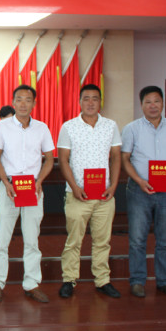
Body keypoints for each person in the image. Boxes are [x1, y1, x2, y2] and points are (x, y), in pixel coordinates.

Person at [121, 85, 166, 299]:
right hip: (139, 191)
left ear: (162, 103)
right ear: (141, 105)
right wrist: (139, 181)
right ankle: (137, 281)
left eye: (157, 101)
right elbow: (124, 158)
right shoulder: (131, 129)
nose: (153, 105)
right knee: (137, 239)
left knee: (165, 240)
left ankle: (164, 281)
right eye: (148, 102)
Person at [0, 85, 54, 303]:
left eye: (28, 99)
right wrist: (5, 182)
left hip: (33, 188)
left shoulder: (42, 128)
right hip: (9, 187)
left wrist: (40, 181)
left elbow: (49, 159)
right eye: (19, 99)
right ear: (13, 102)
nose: (23, 104)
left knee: (32, 239)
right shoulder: (1, 127)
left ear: (34, 103)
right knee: (2, 239)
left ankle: (32, 283)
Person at [57, 84, 122, 299]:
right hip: (77, 194)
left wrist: (113, 186)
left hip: (104, 195)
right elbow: (63, 160)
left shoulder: (111, 126)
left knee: (103, 241)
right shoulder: (69, 127)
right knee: (74, 241)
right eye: (86, 98)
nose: (91, 102)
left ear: (100, 102)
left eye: (95, 98)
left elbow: (116, 157)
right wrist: (75, 187)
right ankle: (69, 279)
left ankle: (103, 280)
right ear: (79, 102)